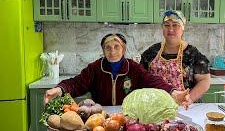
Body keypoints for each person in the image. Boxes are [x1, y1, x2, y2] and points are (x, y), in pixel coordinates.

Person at [44, 33, 190, 108]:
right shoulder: (95, 68)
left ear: (123, 49)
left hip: (128, 115)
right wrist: (59, 89)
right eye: (108, 47)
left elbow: (153, 81)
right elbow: (76, 83)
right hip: (101, 115)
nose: (112, 51)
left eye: (116, 47)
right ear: (103, 50)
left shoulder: (133, 68)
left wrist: (174, 92)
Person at [140, 10, 211, 103]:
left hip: (184, 108)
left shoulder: (192, 54)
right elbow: (141, 77)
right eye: (166, 25)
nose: (170, 29)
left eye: (175, 25)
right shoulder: (151, 52)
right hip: (156, 108)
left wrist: (188, 99)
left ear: (182, 28)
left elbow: (204, 80)